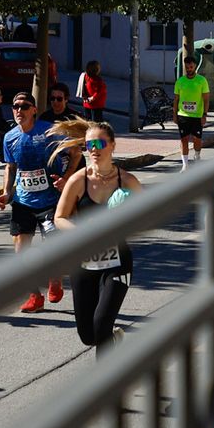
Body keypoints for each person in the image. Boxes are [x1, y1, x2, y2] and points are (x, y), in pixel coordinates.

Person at [50, 119, 144, 354]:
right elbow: (59, 218)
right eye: (90, 143)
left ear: (112, 145)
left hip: (117, 261)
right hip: (83, 261)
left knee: (102, 324)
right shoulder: (78, 181)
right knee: (88, 335)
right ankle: (113, 339)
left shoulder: (128, 181)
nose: (94, 148)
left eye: (100, 142)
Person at [0, 91, 71, 314]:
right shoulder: (9, 137)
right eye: (15, 106)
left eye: (24, 106)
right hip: (23, 200)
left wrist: (66, 179)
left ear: (34, 110)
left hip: (50, 200)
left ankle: (55, 278)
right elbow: (10, 167)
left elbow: (75, 153)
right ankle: (34, 295)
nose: (19, 110)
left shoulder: (49, 131)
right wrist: (6, 192)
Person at [174, 55, 210, 171]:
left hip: (197, 115)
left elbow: (206, 99)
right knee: (183, 139)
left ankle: (197, 155)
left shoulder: (201, 81)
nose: (189, 69)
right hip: (183, 115)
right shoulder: (180, 81)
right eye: (187, 67)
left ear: (195, 66)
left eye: (191, 66)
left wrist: (204, 114)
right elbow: (176, 99)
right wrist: (174, 114)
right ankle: (185, 164)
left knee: (197, 139)